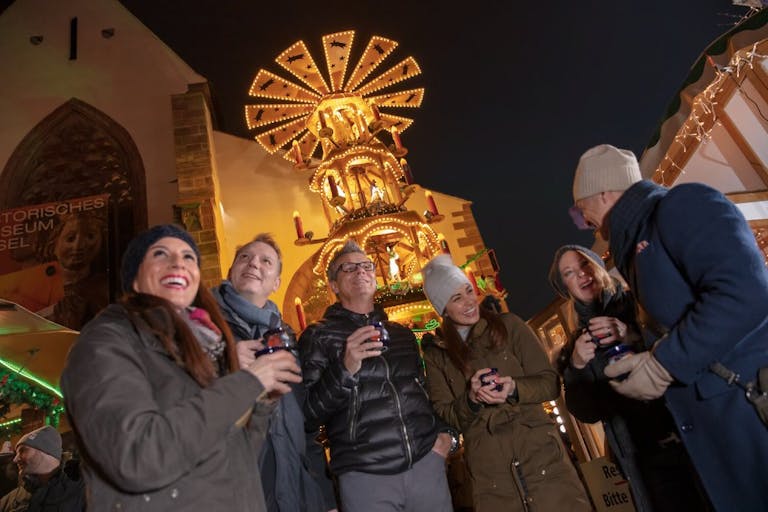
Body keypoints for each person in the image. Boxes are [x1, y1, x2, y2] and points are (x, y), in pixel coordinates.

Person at [571, 143, 768, 511]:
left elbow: (745, 290)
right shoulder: (635, 248)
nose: (584, 222)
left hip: (749, 416)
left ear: (603, 193)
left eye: (581, 210)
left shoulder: (680, 206)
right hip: (718, 429)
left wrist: (663, 365)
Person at [60, 224, 302, 511]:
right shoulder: (106, 340)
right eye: (161, 253)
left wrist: (262, 402)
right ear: (135, 276)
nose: (178, 262)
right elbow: (138, 458)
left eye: (189, 257)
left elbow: (234, 458)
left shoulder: (205, 345)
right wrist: (247, 383)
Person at [419, 254, 591, 512]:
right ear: (443, 308)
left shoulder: (509, 326)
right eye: (456, 298)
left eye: (468, 291)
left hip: (540, 455)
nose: (469, 303)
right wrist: (472, 400)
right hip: (491, 473)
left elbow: (549, 383)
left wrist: (513, 388)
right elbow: (445, 414)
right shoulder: (437, 355)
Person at [549, 244, 711, 511]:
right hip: (642, 455)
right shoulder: (576, 344)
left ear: (597, 266)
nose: (581, 275)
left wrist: (632, 335)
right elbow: (587, 413)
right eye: (569, 273)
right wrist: (576, 366)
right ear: (565, 286)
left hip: (688, 432)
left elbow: (683, 350)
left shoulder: (640, 304)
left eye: (584, 265)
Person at [298, 240, 457, 512]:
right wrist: (345, 368)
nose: (359, 271)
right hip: (365, 476)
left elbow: (426, 390)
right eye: (348, 268)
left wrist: (445, 436)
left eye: (365, 266)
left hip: (424, 463)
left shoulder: (401, 334)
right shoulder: (318, 336)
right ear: (334, 285)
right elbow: (307, 415)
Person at [212, 233, 337, 512]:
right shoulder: (205, 328)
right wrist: (222, 362)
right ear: (231, 271)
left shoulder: (284, 338)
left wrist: (325, 497)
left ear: (276, 283)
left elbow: (303, 421)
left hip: (295, 488)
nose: (254, 263)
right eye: (245, 257)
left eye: (265, 261)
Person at [42, 211, 109, 330]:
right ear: (53, 246)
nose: (78, 246)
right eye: (70, 239)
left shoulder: (103, 287)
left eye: (90, 237)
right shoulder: (38, 290)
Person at [0, 425, 85, 512]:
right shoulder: (13, 498)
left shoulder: (83, 492)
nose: (15, 459)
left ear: (46, 451)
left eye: (22, 451)